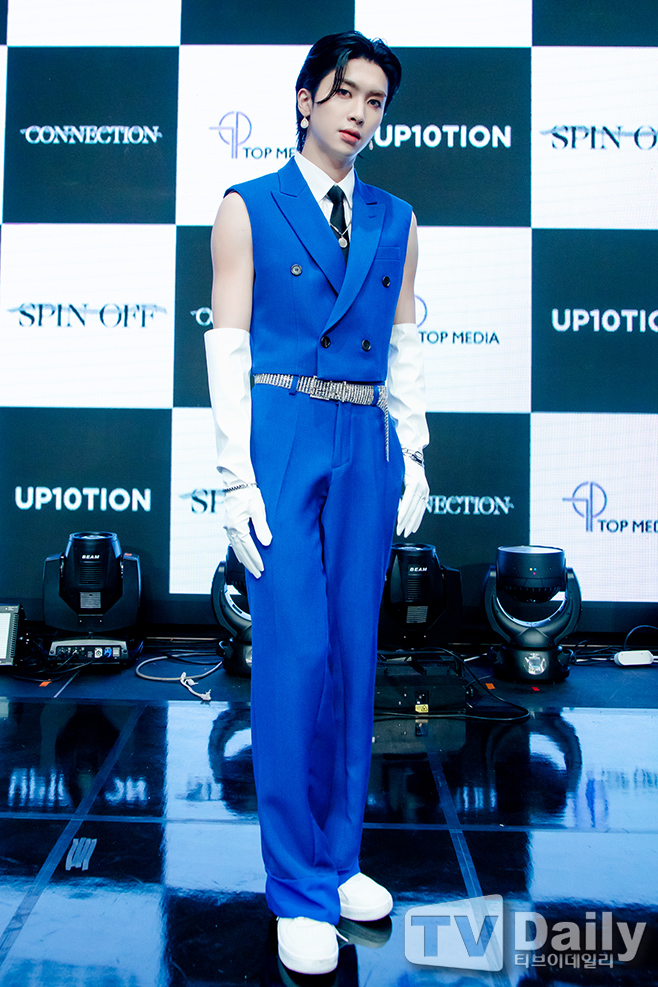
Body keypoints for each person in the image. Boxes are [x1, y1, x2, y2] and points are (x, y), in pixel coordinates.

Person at [205, 31, 429, 976]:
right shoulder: (248, 207)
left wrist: (413, 447)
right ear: (306, 99)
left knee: (352, 658)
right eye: (345, 93)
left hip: (365, 438)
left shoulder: (396, 217)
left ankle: (338, 862)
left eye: (375, 100)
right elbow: (228, 343)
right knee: (294, 658)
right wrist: (234, 475)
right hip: (284, 431)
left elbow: (405, 336)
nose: (359, 113)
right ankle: (296, 884)